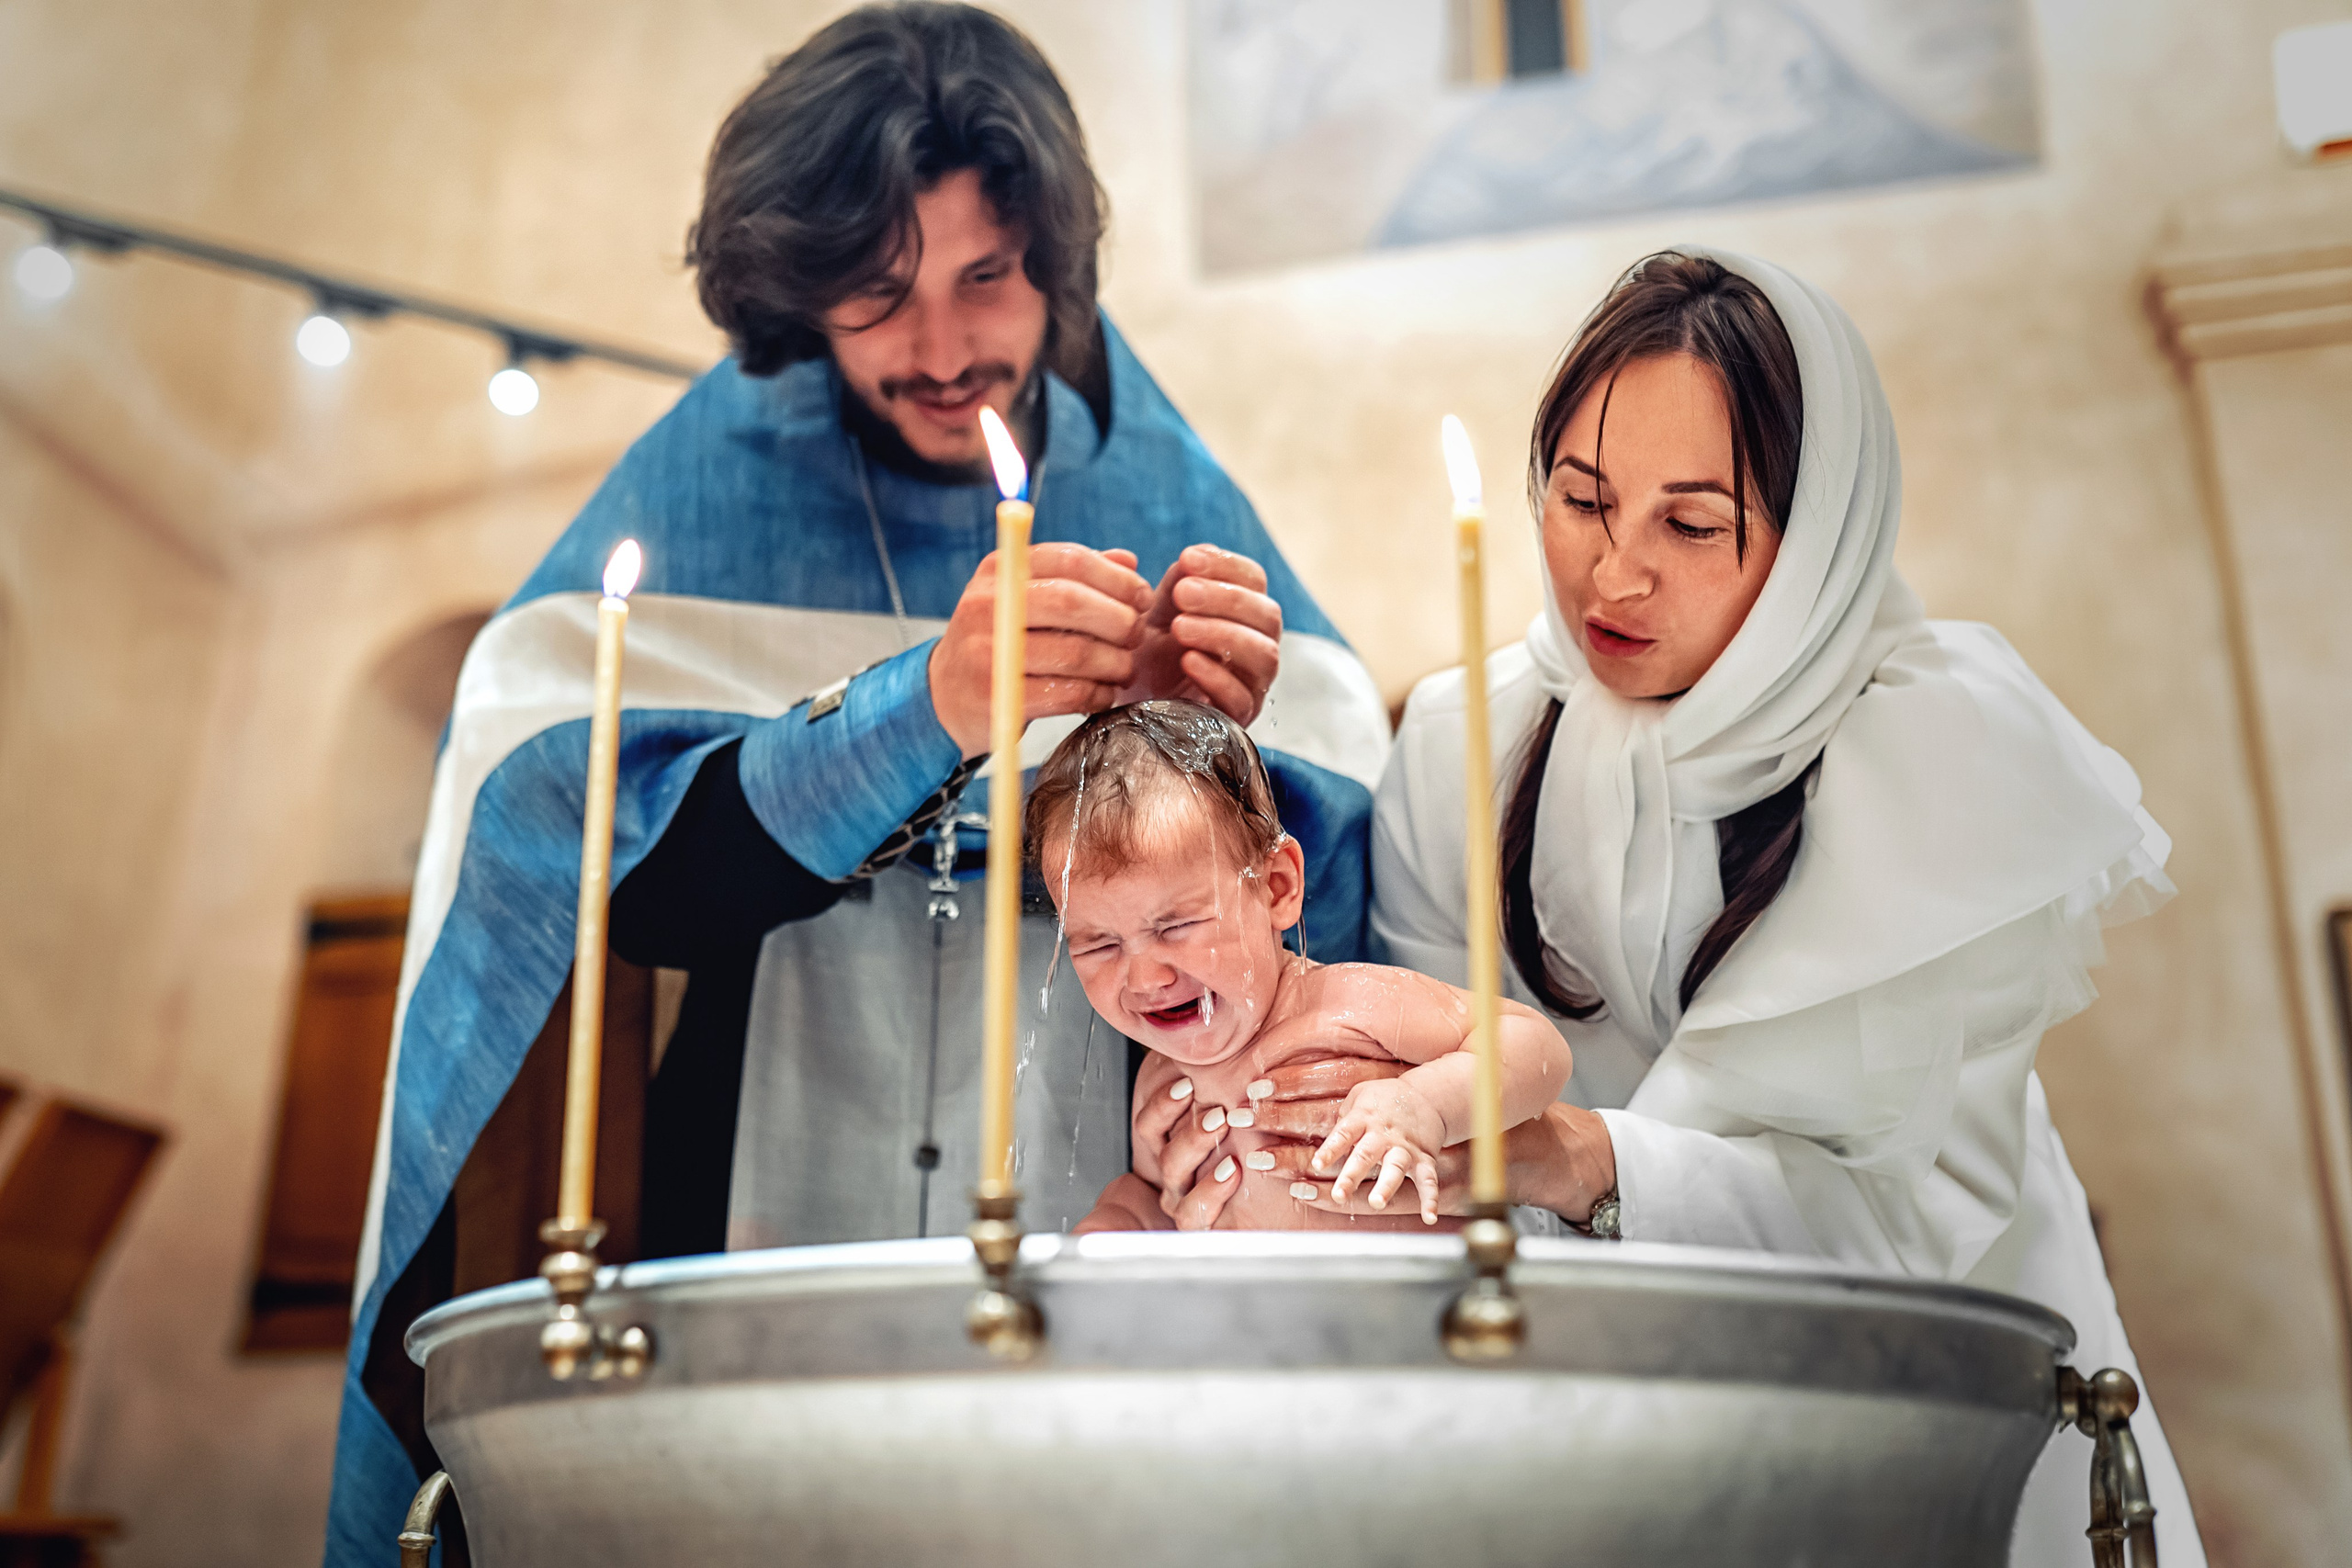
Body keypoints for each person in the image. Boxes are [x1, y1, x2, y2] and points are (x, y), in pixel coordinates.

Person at [324, 6, 1388, 1562]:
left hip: (1117, 1216)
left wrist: (1201, 757)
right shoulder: (707, 492)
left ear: (1056, 257)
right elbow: (605, 872)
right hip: (746, 1212)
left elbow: (1336, 888)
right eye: (879, 297)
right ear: (793, 288)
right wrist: (931, 705)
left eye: (987, 275)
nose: (947, 351)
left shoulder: (1156, 484)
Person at [1140, 250, 2205, 1563]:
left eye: (1692, 524)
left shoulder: (1938, 751)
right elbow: (1417, 1096)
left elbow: (1895, 1219)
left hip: (1939, 1414)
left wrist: (1578, 1153)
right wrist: (1239, 1156)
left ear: (1815, 538)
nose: (1613, 576)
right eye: (1581, 500)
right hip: (1613, 1416)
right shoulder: (1467, 741)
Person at [1016, 702, 1569, 1233]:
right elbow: (1156, 1198)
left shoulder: (1352, 1002)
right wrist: (1119, 1223)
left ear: (1277, 887)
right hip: (1264, 1328)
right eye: (1099, 945)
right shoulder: (1162, 1081)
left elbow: (1534, 1044)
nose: (1145, 979)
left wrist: (1428, 1104)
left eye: (1175, 927)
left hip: (1426, 1318)